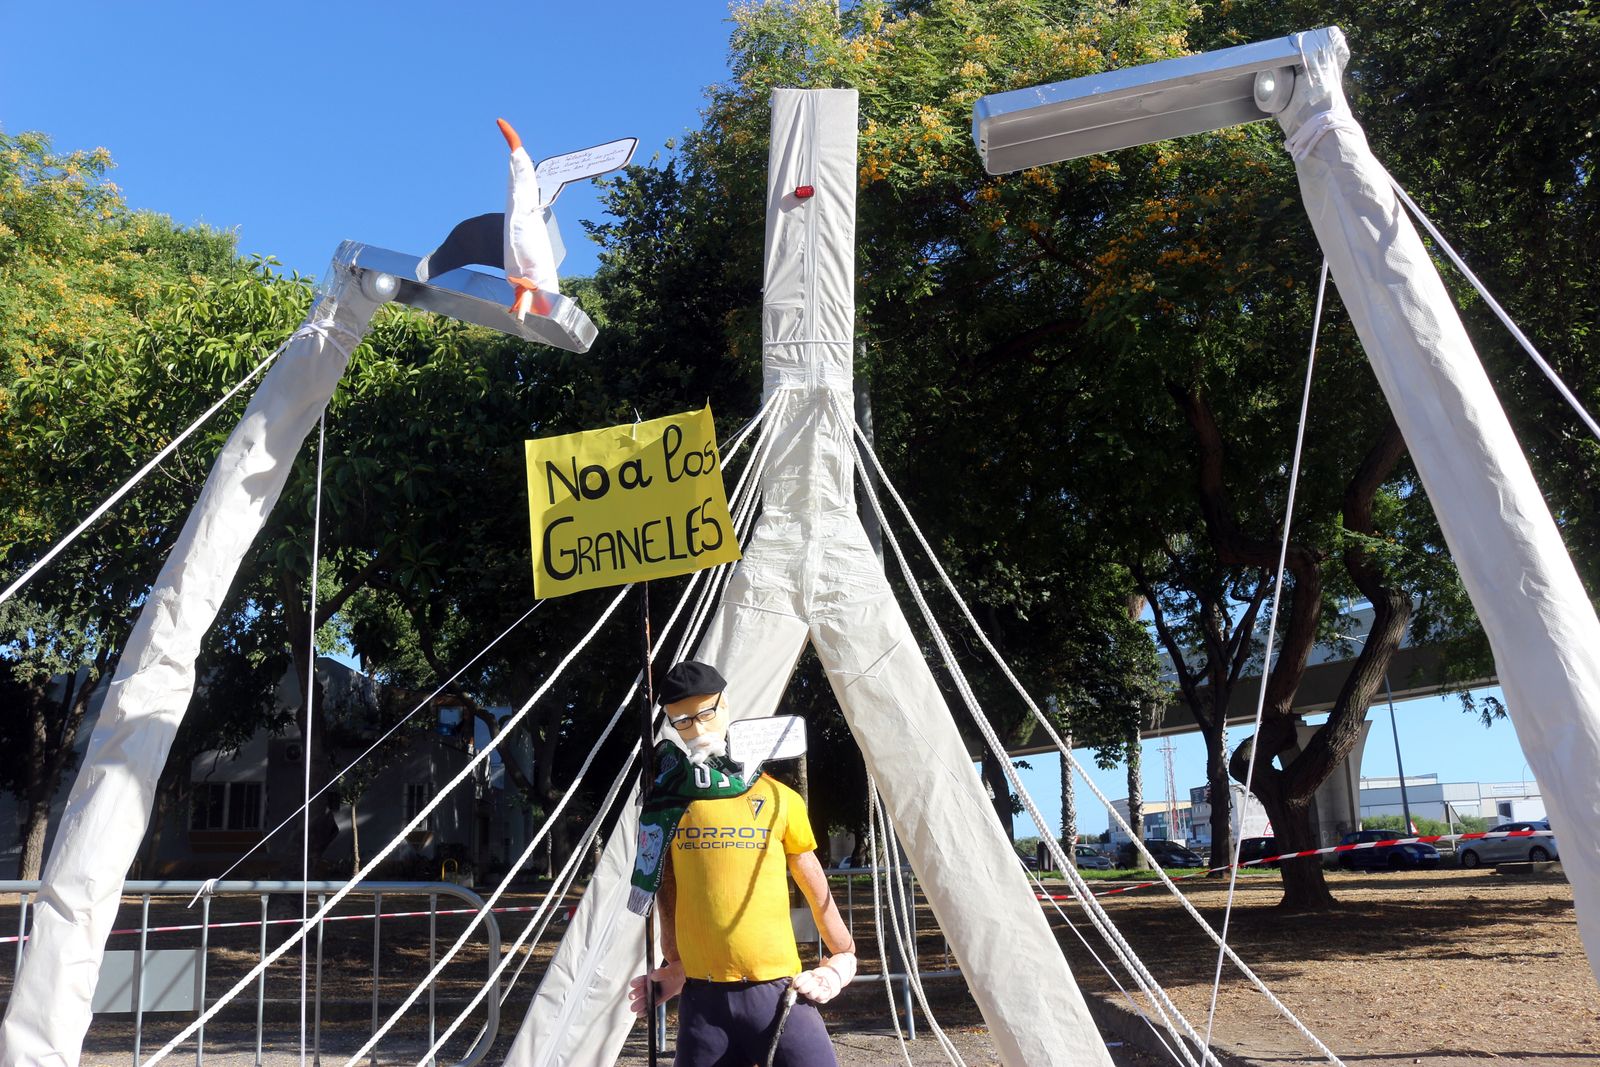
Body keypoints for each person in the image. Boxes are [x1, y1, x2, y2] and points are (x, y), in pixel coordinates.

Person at [627, 660, 857, 1066]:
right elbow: (668, 886)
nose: (697, 729)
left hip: (781, 994)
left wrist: (839, 964)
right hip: (704, 1002)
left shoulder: (779, 797)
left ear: (725, 706)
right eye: (681, 721)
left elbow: (813, 880)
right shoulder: (668, 803)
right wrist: (677, 971)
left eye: (706, 713)